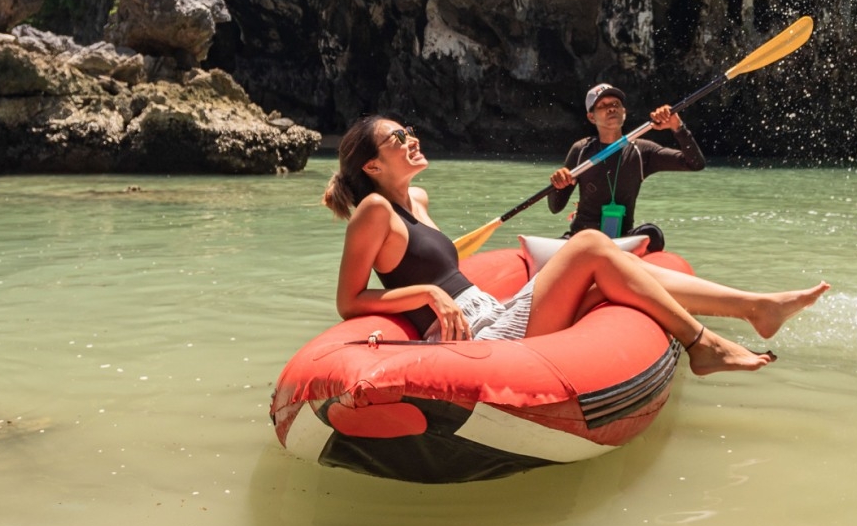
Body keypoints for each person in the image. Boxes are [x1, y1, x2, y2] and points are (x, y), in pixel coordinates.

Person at [323, 115, 828, 375]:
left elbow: (430, 261)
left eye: (408, 131)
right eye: (398, 139)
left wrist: (442, 281)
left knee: (614, 275)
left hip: (496, 311)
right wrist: (429, 295)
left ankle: (756, 308)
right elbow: (350, 301)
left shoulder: (416, 198)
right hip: (478, 338)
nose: (412, 138)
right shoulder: (374, 211)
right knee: (588, 244)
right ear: (372, 166)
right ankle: (705, 344)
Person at [546, 83, 697, 246]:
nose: (611, 108)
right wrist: (557, 184)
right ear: (591, 117)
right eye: (602, 106)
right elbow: (555, 207)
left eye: (615, 104)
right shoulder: (581, 150)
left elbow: (694, 163)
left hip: (622, 241)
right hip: (582, 238)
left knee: (653, 233)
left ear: (623, 112)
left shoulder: (642, 151)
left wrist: (678, 127)